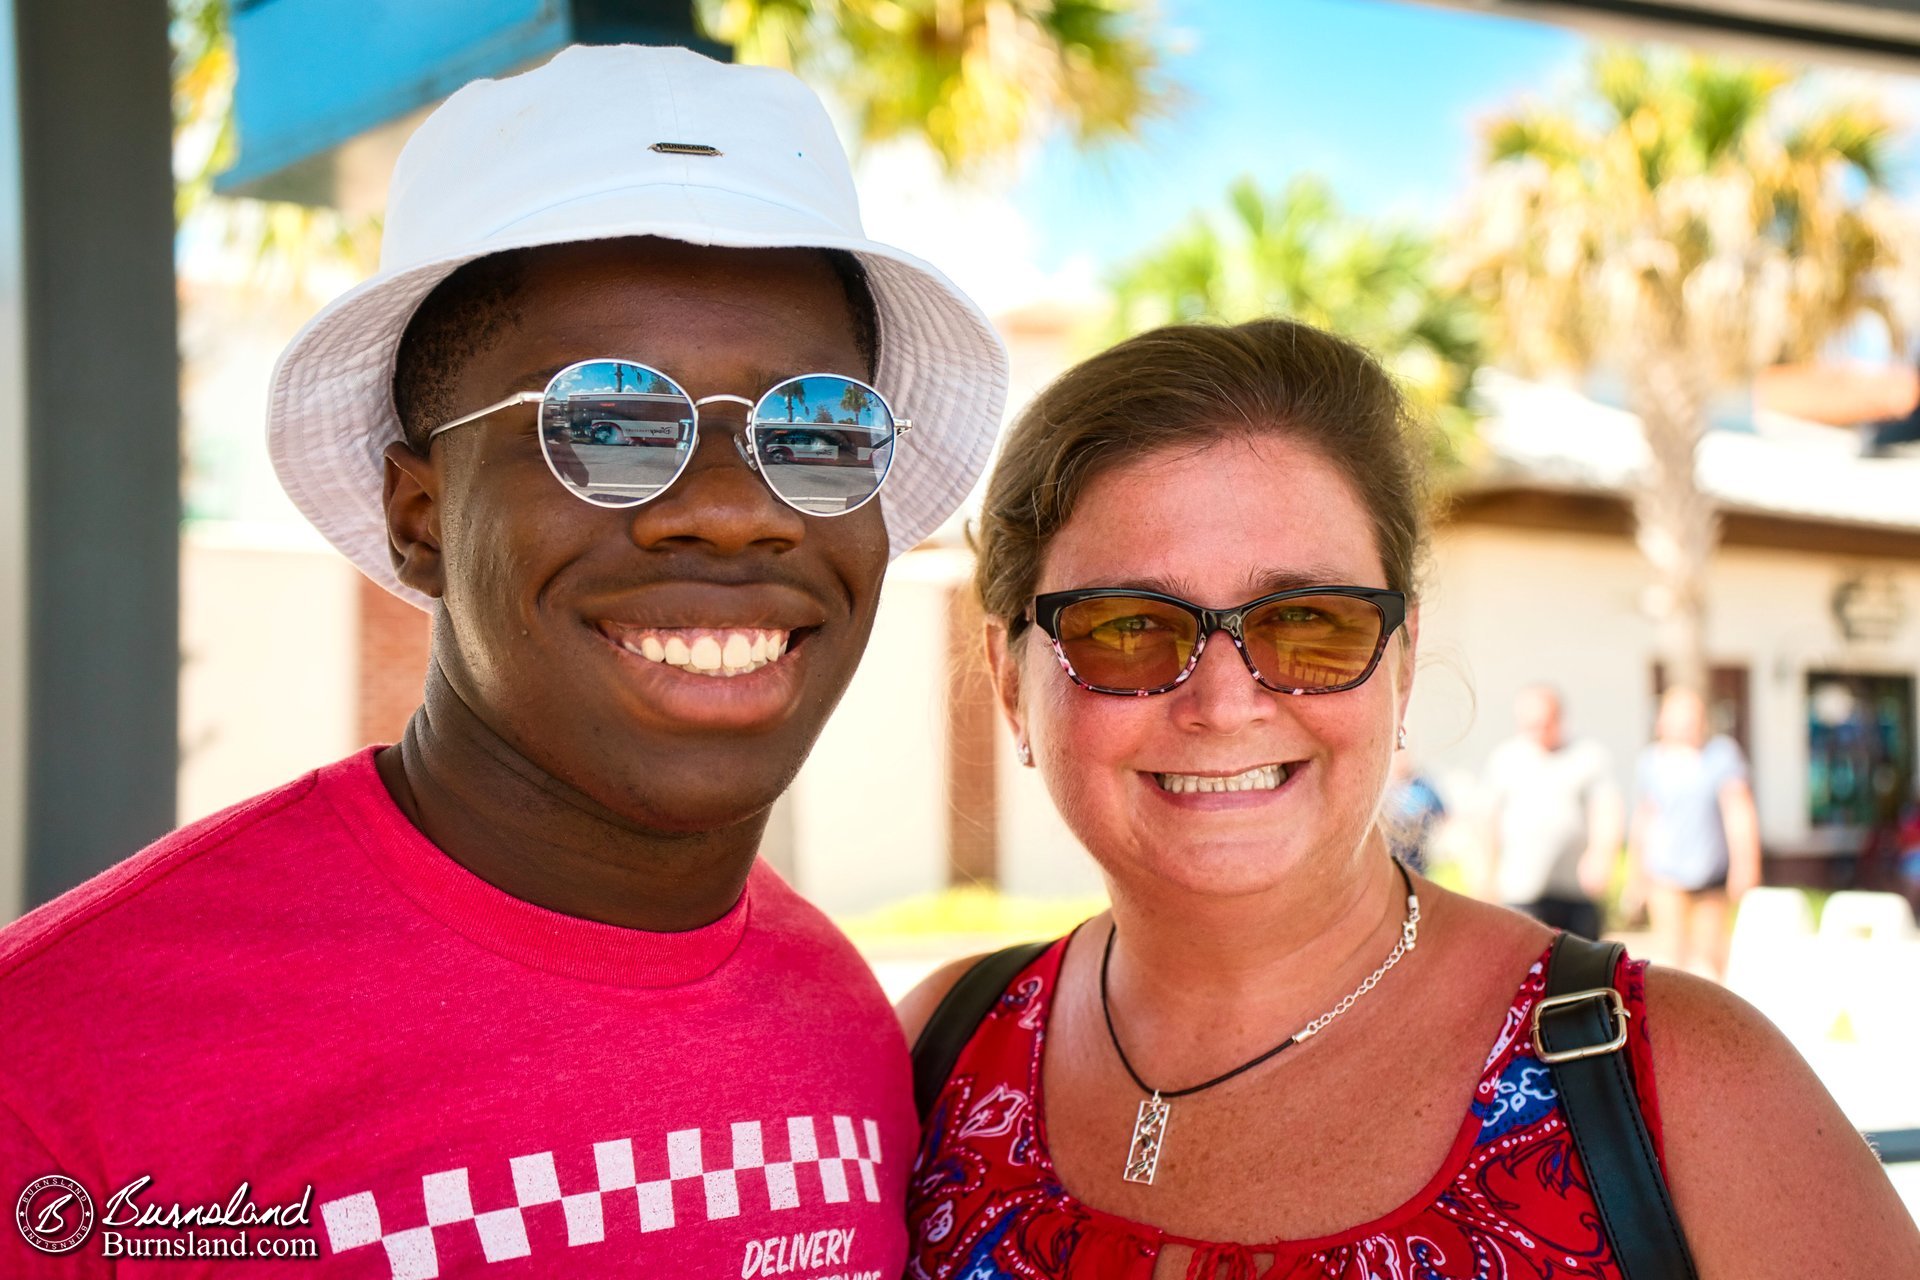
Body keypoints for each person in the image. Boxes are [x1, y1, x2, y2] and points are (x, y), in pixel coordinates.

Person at [0, 47, 1007, 1275]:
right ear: (420, 515)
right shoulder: (58, 1064)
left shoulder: (848, 1026)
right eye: (606, 419)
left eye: (817, 426)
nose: (738, 512)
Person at [899, 320, 1918, 1277]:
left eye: (1310, 621)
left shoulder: (1683, 1086)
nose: (1223, 701)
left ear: (1403, 656)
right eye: (1126, 626)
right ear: (1007, 677)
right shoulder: (937, 1053)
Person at [1628, 686, 1762, 981]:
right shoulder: (1651, 761)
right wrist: (1635, 874)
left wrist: (1746, 863)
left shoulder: (1721, 755)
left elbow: (1739, 811)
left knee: (1710, 959)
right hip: (1665, 872)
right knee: (1670, 959)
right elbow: (1645, 818)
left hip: (1709, 871)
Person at [1481, 684, 1621, 940]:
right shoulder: (1505, 759)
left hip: (1575, 890)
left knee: (1580, 969)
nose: (1539, 730)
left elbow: (1606, 811)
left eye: (1545, 722)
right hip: (1522, 890)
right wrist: (1487, 875)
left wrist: (1601, 856)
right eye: (1531, 723)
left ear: (1560, 717)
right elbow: (1489, 821)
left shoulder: (1588, 756)